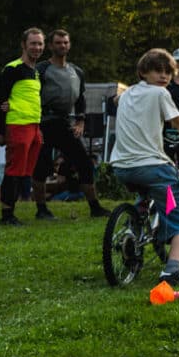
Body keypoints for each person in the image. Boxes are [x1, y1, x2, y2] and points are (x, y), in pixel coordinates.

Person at [112, 48, 179, 283]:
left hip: (121, 166)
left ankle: (134, 230)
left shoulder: (127, 94)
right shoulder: (160, 93)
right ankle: (172, 270)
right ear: (143, 72)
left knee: (150, 195)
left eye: (168, 72)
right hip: (153, 169)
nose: (164, 76)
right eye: (157, 71)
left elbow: (120, 103)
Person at [36, 28, 106, 217]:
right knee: (42, 166)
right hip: (43, 122)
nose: (62, 46)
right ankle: (41, 209)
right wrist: (34, 125)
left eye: (65, 42)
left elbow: (80, 99)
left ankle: (95, 207)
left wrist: (81, 121)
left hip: (65, 123)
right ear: (51, 46)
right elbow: (32, 96)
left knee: (85, 164)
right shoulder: (41, 70)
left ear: (70, 45)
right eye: (58, 43)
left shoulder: (77, 71)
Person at [0, 28, 49, 225]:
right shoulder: (12, 69)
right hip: (17, 126)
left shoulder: (36, 72)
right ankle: (7, 215)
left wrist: (38, 128)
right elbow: (0, 100)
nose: (37, 47)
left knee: (25, 172)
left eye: (40, 44)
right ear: (24, 45)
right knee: (13, 170)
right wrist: (1, 131)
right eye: (33, 43)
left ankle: (15, 210)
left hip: (33, 127)